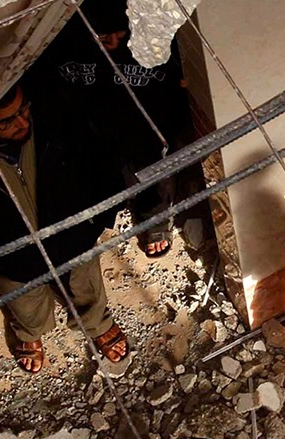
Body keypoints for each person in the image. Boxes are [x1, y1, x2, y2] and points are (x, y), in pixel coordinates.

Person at [0, 84, 130, 376]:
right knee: (24, 300)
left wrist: (98, 218)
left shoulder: (54, 115)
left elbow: (100, 153)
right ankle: (31, 331)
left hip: (73, 238)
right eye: (6, 121)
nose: (22, 122)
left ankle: (97, 322)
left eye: (23, 109)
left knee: (86, 281)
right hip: (13, 260)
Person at [34, 0, 196, 258]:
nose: (109, 41)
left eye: (117, 33)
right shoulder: (67, 38)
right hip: (87, 127)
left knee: (152, 165)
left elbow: (182, 74)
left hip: (142, 131)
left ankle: (152, 218)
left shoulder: (151, 34)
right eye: (101, 36)